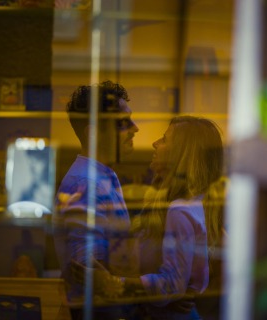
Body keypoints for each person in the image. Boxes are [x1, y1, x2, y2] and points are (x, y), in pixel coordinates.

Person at [94, 115, 225, 319]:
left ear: (181, 153)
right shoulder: (196, 203)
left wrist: (110, 282)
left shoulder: (180, 210)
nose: (155, 143)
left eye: (164, 139)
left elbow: (171, 284)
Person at [53, 80, 139, 319]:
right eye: (123, 122)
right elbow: (91, 272)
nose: (136, 128)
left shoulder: (101, 177)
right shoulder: (87, 184)